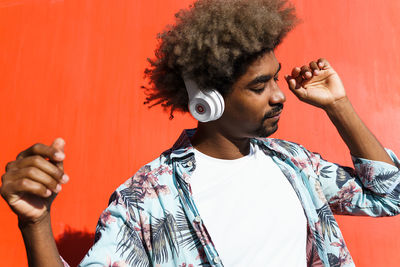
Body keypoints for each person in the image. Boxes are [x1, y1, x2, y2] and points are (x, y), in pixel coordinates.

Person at [1, 0, 400, 266]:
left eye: (276, 78)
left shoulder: (293, 163)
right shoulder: (148, 199)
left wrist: (338, 105)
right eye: (259, 86)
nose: (280, 96)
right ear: (207, 102)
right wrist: (35, 224)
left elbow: (390, 195)